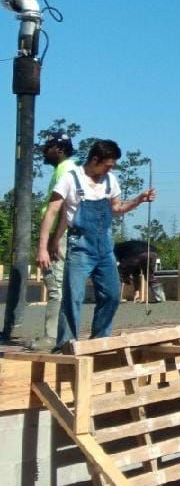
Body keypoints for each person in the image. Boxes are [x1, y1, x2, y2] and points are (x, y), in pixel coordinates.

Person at [37, 139, 156, 351]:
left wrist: (139, 199)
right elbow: (52, 212)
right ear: (94, 159)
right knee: (73, 297)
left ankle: (100, 342)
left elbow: (117, 209)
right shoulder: (70, 179)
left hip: (105, 247)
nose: (110, 169)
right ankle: (66, 344)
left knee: (111, 294)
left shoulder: (110, 181)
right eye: (108, 165)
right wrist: (43, 248)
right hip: (80, 245)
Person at [40, 135, 77, 344]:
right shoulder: (62, 169)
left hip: (58, 234)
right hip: (58, 233)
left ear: (60, 149)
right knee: (56, 283)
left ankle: (52, 336)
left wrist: (54, 239)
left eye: (48, 147)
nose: (45, 151)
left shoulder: (66, 170)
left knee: (55, 284)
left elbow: (64, 207)